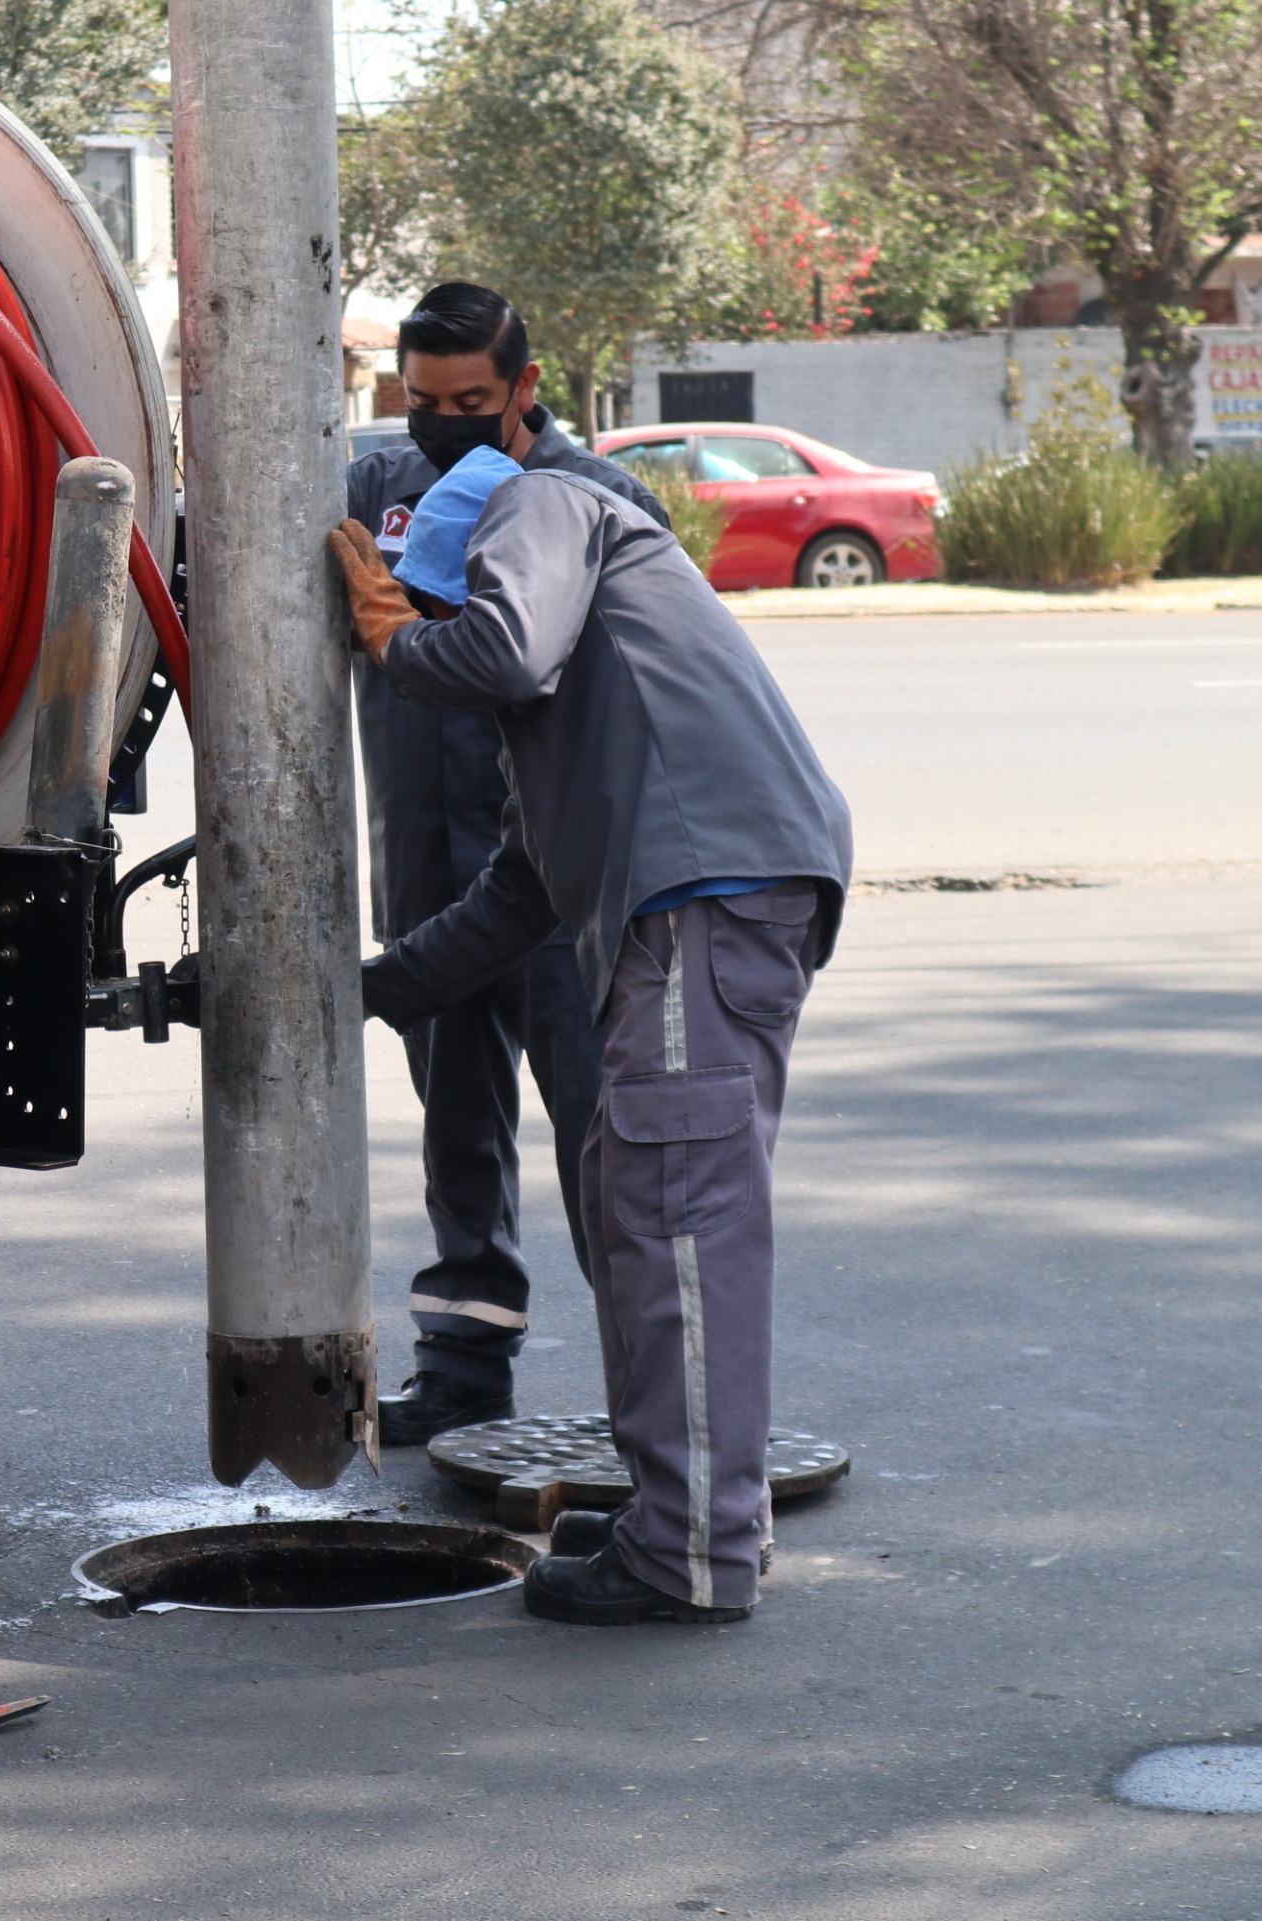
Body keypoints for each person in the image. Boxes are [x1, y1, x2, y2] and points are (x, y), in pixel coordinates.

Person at [331, 462, 852, 1627]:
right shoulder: (583, 706)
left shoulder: (542, 508)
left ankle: (691, 1555)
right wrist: (360, 989)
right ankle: (682, 1516)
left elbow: (500, 650)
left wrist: (394, 644)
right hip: (704, 902)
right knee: (639, 1206)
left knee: (674, 1222)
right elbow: (517, 896)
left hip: (700, 900)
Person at [348, 282, 670, 1448]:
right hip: (426, 873)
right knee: (456, 1133)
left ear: (524, 387)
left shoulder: (592, 500)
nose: (441, 423)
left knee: (607, 1149)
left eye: (469, 400)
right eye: (421, 400)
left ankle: (662, 1413)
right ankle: (464, 1372)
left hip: (553, 894)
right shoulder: (374, 492)